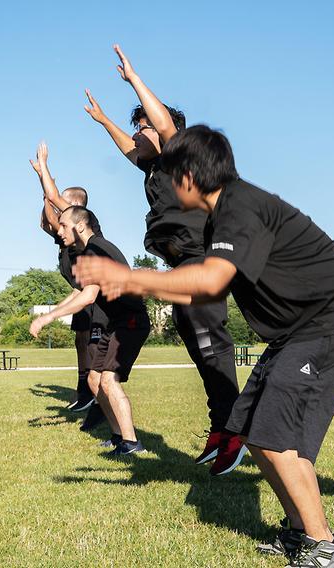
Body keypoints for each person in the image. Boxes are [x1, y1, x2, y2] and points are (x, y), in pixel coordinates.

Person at [75, 125, 334, 567]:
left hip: (329, 322)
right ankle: (299, 533)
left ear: (189, 178)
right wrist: (135, 285)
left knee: (276, 436)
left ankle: (327, 546)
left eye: (171, 179)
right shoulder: (222, 216)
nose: (167, 190)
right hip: (295, 330)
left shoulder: (240, 207)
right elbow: (206, 292)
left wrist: (129, 276)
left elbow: (210, 280)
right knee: (250, 430)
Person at [83, 45, 243, 475]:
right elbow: (128, 150)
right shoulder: (152, 167)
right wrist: (104, 122)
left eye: (143, 127)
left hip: (203, 259)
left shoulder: (179, 155)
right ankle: (222, 426)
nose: (139, 134)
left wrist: (134, 80)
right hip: (181, 267)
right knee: (196, 344)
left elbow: (166, 126)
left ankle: (235, 431)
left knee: (212, 345)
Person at [31, 206, 150, 455]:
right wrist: (47, 314)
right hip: (114, 322)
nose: (60, 230)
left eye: (64, 225)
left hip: (129, 321)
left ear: (81, 226)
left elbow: (88, 296)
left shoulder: (97, 249)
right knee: (94, 379)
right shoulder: (90, 251)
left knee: (108, 379)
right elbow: (78, 292)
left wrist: (49, 318)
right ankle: (119, 436)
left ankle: (131, 444)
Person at [30, 142, 109, 428]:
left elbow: (52, 208)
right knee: (81, 342)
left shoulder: (84, 231)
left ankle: (99, 405)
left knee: (100, 363)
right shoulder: (67, 234)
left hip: (100, 301)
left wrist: (44, 171)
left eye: (61, 200)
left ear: (74, 205)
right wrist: (44, 192)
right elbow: (46, 221)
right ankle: (87, 396)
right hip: (83, 294)